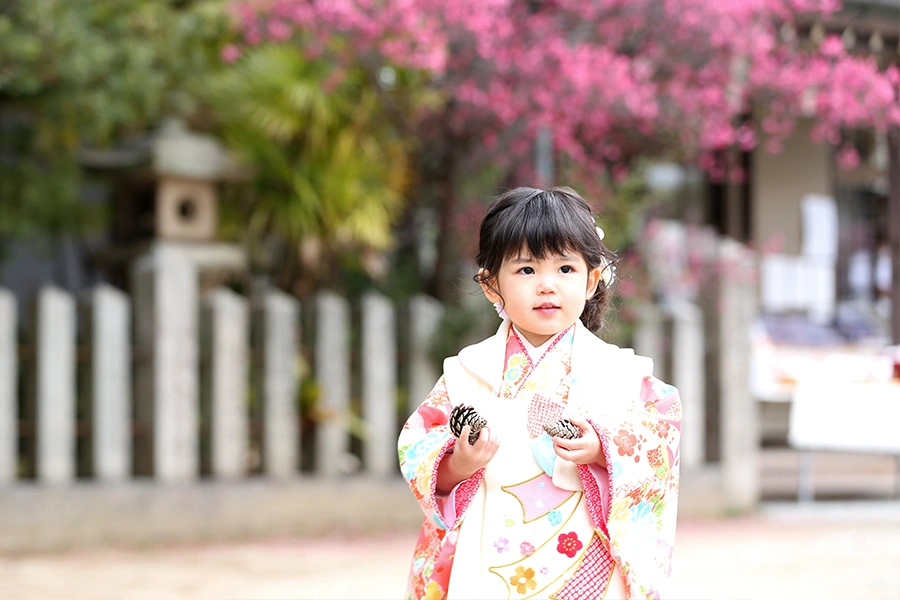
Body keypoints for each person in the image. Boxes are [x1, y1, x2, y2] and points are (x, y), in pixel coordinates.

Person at [398, 187, 681, 600]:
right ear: (491, 285)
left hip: (583, 550)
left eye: (565, 268)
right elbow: (420, 453)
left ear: (591, 280)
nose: (547, 286)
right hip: (487, 547)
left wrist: (603, 448)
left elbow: (660, 441)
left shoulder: (622, 374)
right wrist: (459, 463)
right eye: (527, 270)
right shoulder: (466, 374)